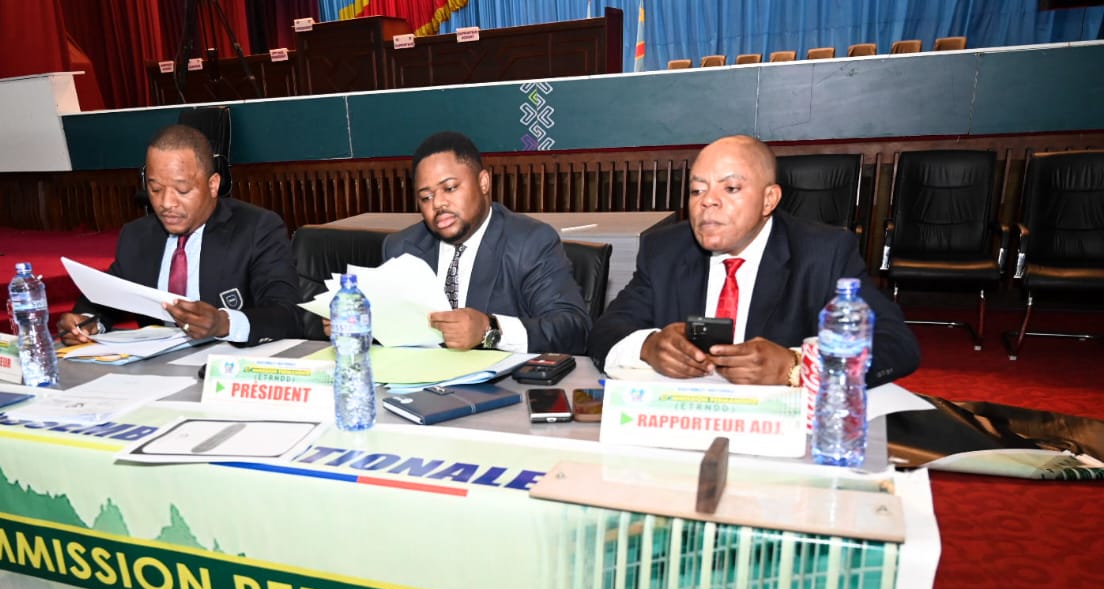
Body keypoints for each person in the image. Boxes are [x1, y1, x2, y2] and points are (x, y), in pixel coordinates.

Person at [588, 134, 919, 387]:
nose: (708, 202)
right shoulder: (665, 250)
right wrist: (648, 346)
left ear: (769, 199)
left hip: (781, 432)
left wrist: (795, 366)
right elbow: (606, 330)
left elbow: (894, 344)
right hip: (683, 420)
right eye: (697, 190)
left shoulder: (824, 252)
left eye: (731, 188)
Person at [57, 124, 303, 346]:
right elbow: (106, 299)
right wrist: (85, 322)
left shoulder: (256, 228)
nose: (166, 203)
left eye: (182, 190)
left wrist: (224, 323)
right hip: (157, 369)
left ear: (213, 185)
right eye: (155, 189)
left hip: (229, 364)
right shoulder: (137, 235)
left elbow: (287, 314)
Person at [382, 131, 591, 354]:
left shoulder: (530, 242)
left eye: (450, 188)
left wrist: (490, 330)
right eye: (426, 197)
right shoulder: (401, 248)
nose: (438, 203)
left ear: (483, 183)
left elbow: (574, 330)